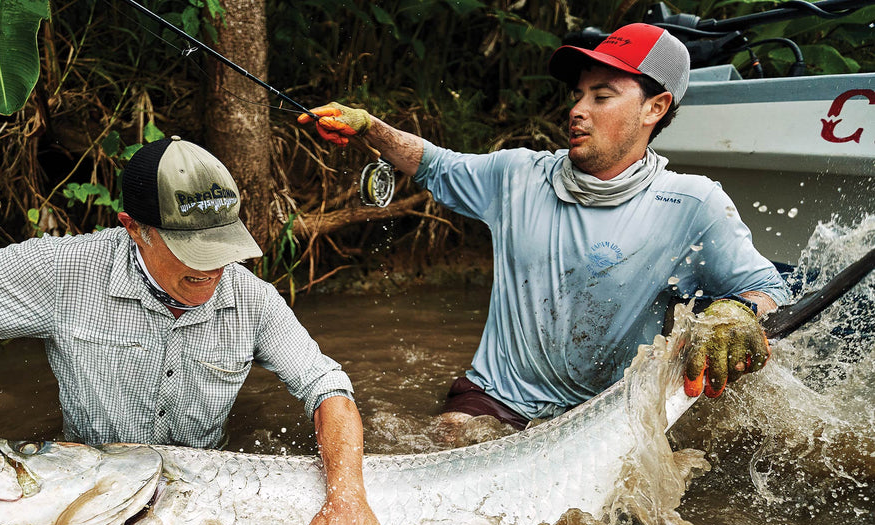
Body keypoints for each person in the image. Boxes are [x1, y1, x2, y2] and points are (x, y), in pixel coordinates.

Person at [0, 136, 399, 525]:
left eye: (220, 245)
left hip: (192, 488)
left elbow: (327, 389)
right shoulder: (69, 271)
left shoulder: (254, 300)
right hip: (89, 477)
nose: (212, 268)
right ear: (134, 227)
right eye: (190, 249)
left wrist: (348, 496)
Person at [298, 23, 790, 434]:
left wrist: (735, 313)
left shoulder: (693, 203)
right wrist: (369, 128)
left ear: (654, 109)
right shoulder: (518, 175)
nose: (577, 110)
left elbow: (767, 288)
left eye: (602, 96)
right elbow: (434, 164)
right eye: (578, 95)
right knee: (444, 444)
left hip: (604, 417)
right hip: (493, 399)